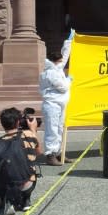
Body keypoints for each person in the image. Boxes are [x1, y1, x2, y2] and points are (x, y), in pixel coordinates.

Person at [0, 107, 42, 215]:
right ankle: (26, 201)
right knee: (30, 165)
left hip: (5, 186)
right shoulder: (28, 135)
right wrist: (33, 130)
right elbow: (38, 152)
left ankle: (8, 199)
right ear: (18, 122)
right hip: (26, 185)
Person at [39, 29, 74, 166]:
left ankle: (59, 153)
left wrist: (69, 41)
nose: (62, 63)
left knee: (59, 128)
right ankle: (50, 155)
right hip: (52, 104)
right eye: (59, 61)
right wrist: (69, 80)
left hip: (59, 103)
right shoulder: (50, 73)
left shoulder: (56, 68)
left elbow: (64, 57)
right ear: (54, 62)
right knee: (52, 129)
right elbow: (63, 87)